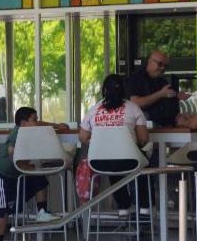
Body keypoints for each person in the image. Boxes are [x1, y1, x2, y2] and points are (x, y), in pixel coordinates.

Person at [0, 106, 61, 241]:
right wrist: (24, 164)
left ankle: (42, 211)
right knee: (2, 211)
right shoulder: (18, 133)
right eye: (34, 120)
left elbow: (40, 124)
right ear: (23, 123)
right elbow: (11, 151)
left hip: (15, 176)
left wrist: (57, 125)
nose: (37, 122)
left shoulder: (28, 129)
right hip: (1, 176)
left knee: (39, 179)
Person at [79, 74, 149, 213]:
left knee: (112, 160)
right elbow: (143, 139)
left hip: (99, 162)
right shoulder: (133, 108)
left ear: (104, 90)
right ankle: (144, 207)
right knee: (144, 163)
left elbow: (83, 137)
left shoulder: (94, 110)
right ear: (124, 90)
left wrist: (99, 144)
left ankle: (123, 206)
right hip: (130, 161)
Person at [126, 50, 189, 128]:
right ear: (149, 61)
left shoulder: (162, 81)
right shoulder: (136, 79)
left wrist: (176, 96)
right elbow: (136, 103)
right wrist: (160, 94)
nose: (162, 68)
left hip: (165, 127)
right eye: (159, 64)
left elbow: (167, 103)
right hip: (145, 127)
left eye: (165, 66)